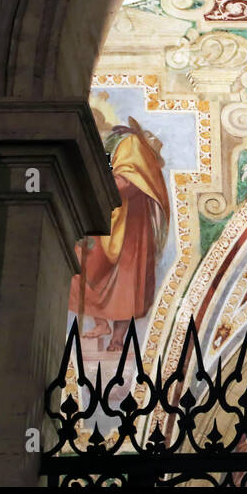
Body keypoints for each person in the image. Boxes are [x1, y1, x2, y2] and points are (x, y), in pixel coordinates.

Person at [70, 114, 169, 352]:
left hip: (130, 226)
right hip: (103, 219)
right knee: (79, 266)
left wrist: (94, 180)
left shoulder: (130, 144)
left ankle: (118, 338)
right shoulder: (107, 143)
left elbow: (129, 182)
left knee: (127, 285)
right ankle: (101, 324)